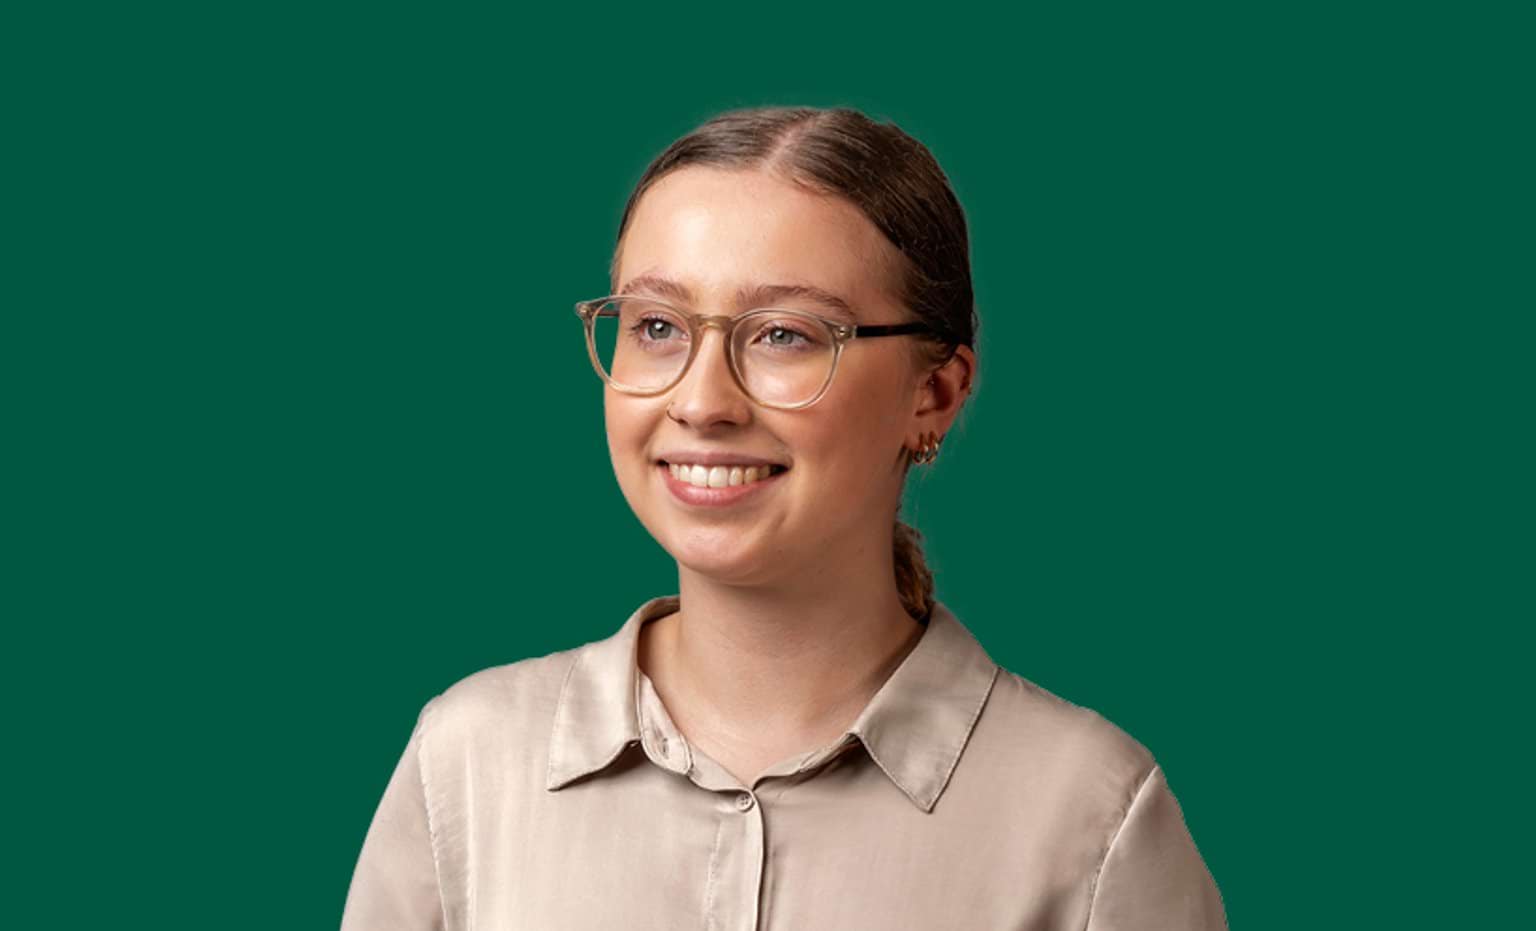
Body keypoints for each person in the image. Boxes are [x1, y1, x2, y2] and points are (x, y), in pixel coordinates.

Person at [340, 105, 1227, 930]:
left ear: (937, 391)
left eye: (785, 334)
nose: (701, 400)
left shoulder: (1092, 817)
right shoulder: (465, 762)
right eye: (656, 326)